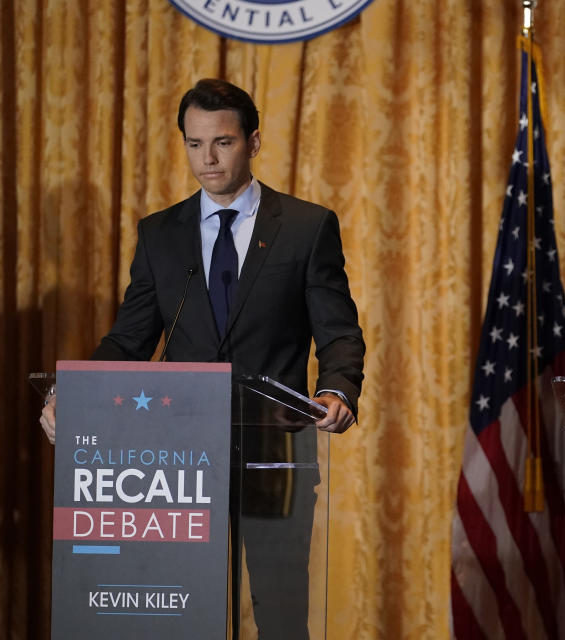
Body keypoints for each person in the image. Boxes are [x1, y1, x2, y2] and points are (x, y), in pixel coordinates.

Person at [39, 78, 365, 638]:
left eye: (223, 142)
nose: (207, 159)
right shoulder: (160, 234)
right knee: (183, 613)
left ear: (253, 142)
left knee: (282, 615)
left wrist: (337, 389)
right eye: (194, 144)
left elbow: (338, 334)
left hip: (275, 456)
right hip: (177, 462)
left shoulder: (307, 228)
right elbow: (128, 340)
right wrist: (74, 390)